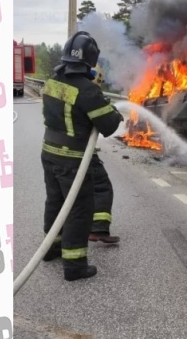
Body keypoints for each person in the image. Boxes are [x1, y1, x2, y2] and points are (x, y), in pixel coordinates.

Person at [39, 31, 124, 280]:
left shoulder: (54, 80)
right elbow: (108, 126)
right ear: (90, 59)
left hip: (49, 153)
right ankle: (74, 265)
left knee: (55, 202)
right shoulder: (87, 90)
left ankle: (52, 248)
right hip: (72, 160)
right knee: (79, 209)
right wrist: (114, 112)